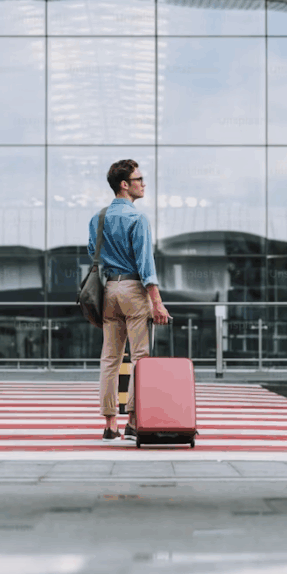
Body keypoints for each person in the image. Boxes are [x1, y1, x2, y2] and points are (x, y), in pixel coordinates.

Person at [88, 159, 171, 443]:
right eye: (139, 178)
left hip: (108, 290)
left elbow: (93, 254)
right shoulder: (137, 219)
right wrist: (157, 302)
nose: (143, 183)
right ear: (125, 185)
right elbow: (146, 266)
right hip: (134, 289)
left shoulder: (98, 218)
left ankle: (110, 424)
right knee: (140, 358)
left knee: (110, 358)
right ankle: (134, 420)